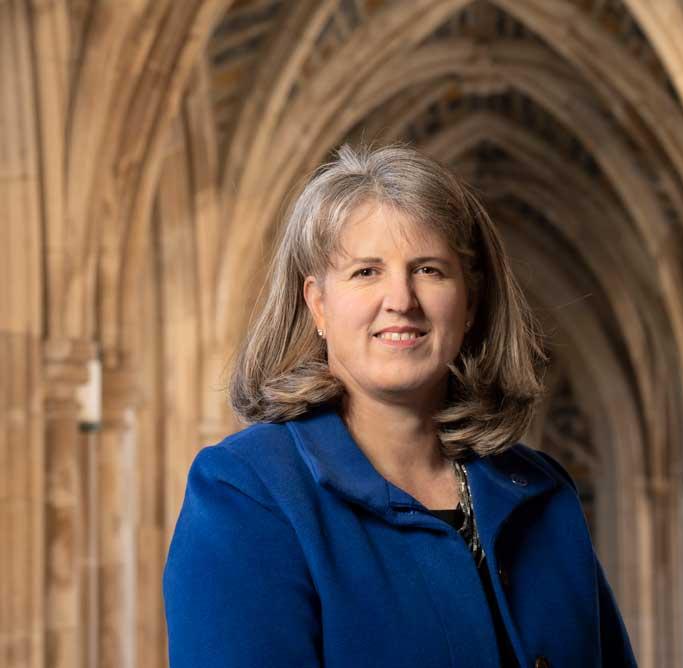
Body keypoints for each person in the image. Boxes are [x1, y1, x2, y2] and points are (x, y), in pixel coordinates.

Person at [162, 144, 637, 667]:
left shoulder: (543, 493)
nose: (402, 300)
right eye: (366, 272)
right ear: (318, 304)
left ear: (471, 302)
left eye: (429, 270)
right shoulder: (247, 495)